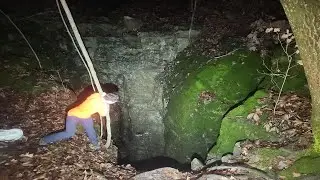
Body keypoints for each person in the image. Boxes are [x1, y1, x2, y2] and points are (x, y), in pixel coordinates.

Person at [39, 92, 119, 150]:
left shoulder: (97, 95)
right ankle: (45, 140)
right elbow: (104, 113)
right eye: (113, 102)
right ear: (110, 101)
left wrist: (103, 95)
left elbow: (99, 94)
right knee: (69, 133)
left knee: (90, 129)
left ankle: (95, 144)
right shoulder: (101, 105)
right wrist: (107, 106)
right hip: (73, 115)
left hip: (85, 115)